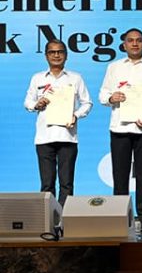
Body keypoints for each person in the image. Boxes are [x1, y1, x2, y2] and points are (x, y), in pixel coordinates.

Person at [99, 28, 142, 232]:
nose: (135, 44)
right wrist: (111, 98)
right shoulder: (114, 67)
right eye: (130, 40)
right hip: (120, 128)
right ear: (124, 45)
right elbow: (103, 94)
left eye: (139, 40)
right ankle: (120, 217)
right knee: (120, 177)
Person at [24, 39, 92, 206]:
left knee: (66, 183)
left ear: (66, 55)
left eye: (60, 52)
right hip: (44, 137)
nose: (56, 55)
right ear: (46, 56)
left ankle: (64, 218)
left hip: (67, 137)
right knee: (47, 184)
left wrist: (75, 115)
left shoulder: (75, 78)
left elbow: (87, 103)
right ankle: (48, 218)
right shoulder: (37, 78)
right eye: (52, 52)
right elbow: (27, 102)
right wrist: (36, 104)